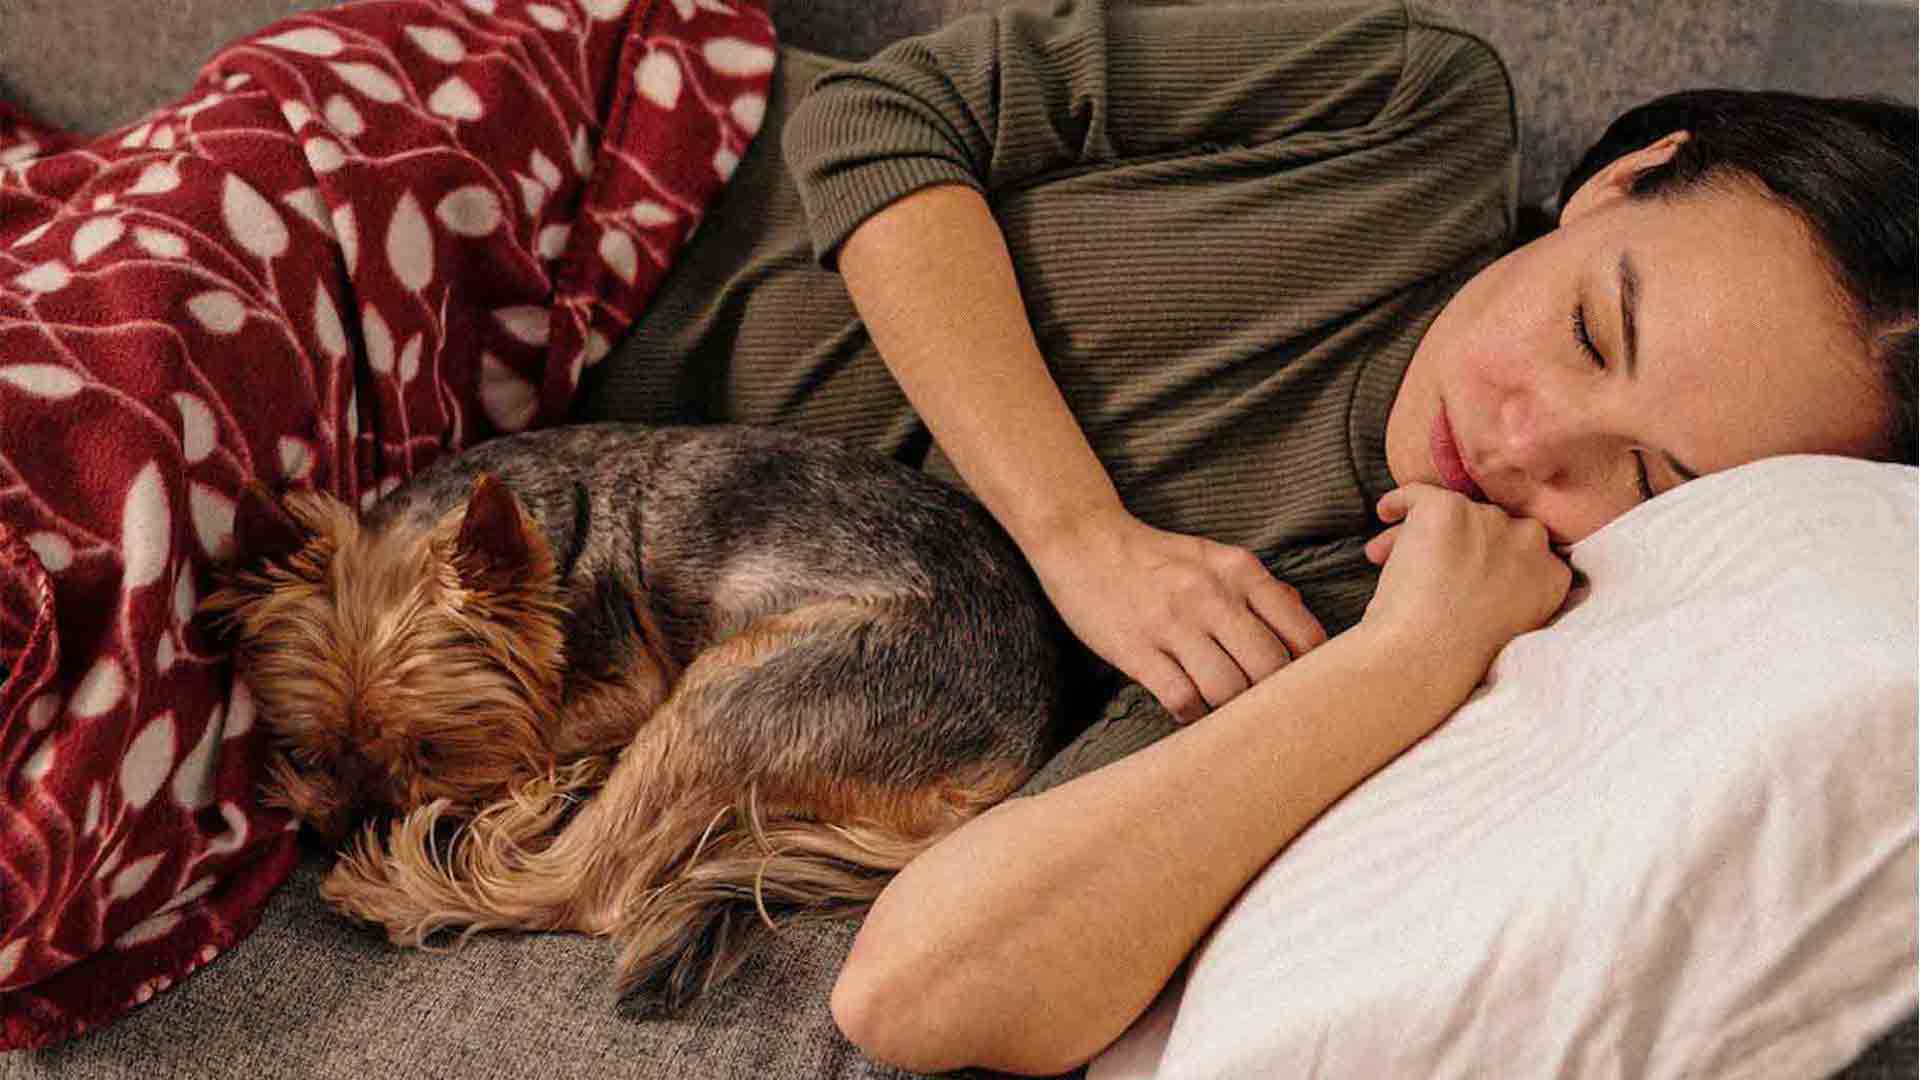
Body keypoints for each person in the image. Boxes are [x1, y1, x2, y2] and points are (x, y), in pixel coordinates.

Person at [581, 0, 1916, 1072]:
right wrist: (1079, 535)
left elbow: (918, 991)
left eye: (1641, 479)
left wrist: (1395, 668)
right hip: (603, 147)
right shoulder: (1407, 109)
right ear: (1625, 182)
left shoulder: (1342, 630)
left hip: (524, 473)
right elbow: (881, 113)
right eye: (1588, 328)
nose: (1524, 442)